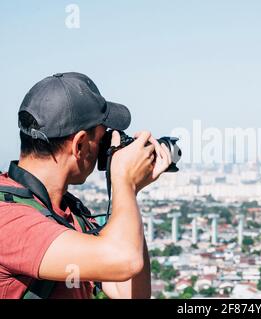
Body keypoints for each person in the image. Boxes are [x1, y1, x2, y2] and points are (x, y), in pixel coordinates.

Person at [0, 72, 171, 299]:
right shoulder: (8, 219)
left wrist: (131, 192)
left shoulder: (69, 214)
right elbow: (125, 260)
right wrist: (124, 182)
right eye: (102, 139)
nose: (104, 147)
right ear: (79, 145)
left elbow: (130, 294)